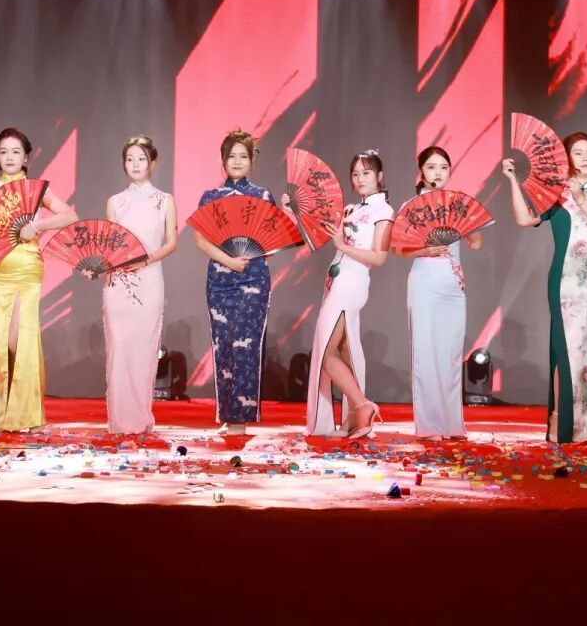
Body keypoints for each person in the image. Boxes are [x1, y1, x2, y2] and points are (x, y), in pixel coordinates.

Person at [503, 131, 587, 443]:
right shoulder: (555, 196)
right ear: (566, 158)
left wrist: (582, 198)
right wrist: (513, 181)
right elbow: (524, 219)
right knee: (565, 349)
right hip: (566, 282)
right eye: (578, 153)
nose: (585, 158)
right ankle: (559, 420)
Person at [0, 128, 77, 432]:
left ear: (26, 157)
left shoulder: (34, 190)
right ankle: (0, 412)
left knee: (20, 339)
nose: (10, 157)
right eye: (3, 152)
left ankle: (27, 411)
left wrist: (37, 226)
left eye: (16, 151)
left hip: (26, 268)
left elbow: (70, 216)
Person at [298, 150, 392, 439]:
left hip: (352, 282)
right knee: (343, 350)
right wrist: (294, 209)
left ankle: (362, 406)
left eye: (367, 173)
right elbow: (317, 227)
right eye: (355, 173)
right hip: (336, 281)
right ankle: (354, 421)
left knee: (325, 351)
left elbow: (379, 257)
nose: (360, 178)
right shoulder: (351, 210)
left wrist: (342, 245)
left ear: (379, 176)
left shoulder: (384, 211)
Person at [193, 130, 277, 436]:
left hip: (253, 277)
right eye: (232, 156)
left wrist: (253, 253)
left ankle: (241, 417)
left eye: (243, 156)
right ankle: (227, 414)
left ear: (252, 160)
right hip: (220, 279)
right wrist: (228, 261)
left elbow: (273, 240)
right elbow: (201, 240)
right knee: (224, 344)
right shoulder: (211, 197)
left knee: (247, 345)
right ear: (223, 160)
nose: (237, 161)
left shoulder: (263, 196)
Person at [396, 146, 481, 440]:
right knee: (426, 352)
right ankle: (430, 426)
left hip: (453, 285)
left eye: (443, 167)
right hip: (425, 282)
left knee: (451, 353)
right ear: (421, 173)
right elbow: (398, 249)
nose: (438, 173)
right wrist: (424, 250)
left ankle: (452, 424)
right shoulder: (412, 205)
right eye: (431, 167)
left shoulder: (456, 204)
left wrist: (466, 224)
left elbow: (476, 243)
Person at [101, 136, 178, 435]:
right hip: (118, 282)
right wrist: (103, 266)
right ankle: (120, 420)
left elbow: (171, 243)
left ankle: (141, 417)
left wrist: (145, 260)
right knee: (118, 349)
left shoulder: (165, 200)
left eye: (141, 159)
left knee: (144, 349)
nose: (135, 164)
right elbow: (111, 244)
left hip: (149, 279)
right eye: (130, 159)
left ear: (153, 163)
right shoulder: (115, 202)